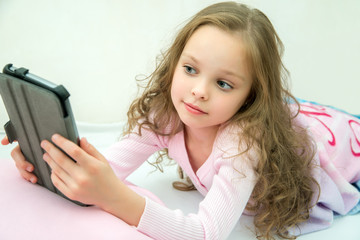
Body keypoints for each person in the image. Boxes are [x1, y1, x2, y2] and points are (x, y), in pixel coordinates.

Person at [2, 1, 360, 239]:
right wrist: (42, 157)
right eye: (190, 69)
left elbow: (206, 233)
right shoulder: (169, 113)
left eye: (223, 83)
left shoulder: (242, 145)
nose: (198, 91)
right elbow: (107, 168)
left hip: (338, 143)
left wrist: (117, 199)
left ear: (250, 97)